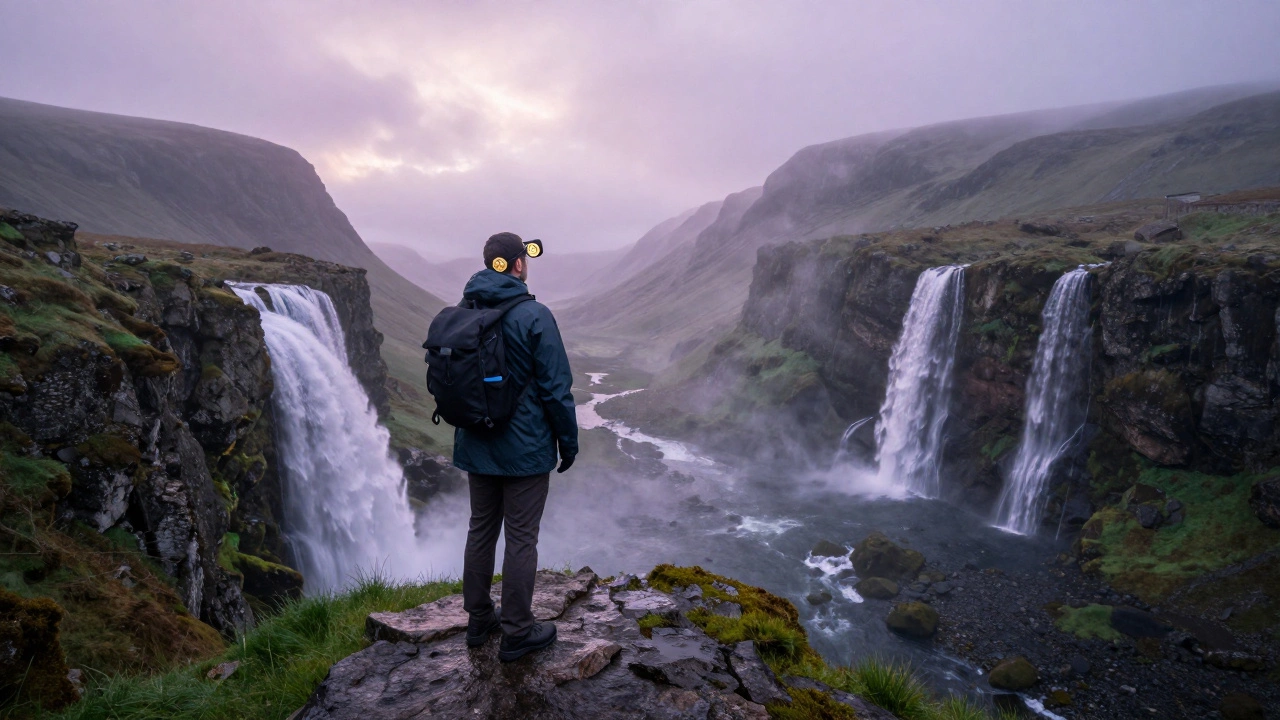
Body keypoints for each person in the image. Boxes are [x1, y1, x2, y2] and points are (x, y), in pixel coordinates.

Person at [455, 231, 578, 662]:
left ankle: (478, 620)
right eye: (525, 256)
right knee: (521, 538)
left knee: (481, 529)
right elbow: (557, 389)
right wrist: (569, 443)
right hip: (525, 450)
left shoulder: (463, 311)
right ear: (517, 265)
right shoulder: (535, 315)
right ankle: (517, 632)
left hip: (476, 443)